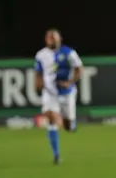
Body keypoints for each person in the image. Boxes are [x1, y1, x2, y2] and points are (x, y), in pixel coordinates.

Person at [34, 28, 83, 164]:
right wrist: (39, 84)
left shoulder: (69, 53)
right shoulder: (41, 55)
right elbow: (38, 72)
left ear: (60, 39)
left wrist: (70, 82)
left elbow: (79, 69)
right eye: (49, 38)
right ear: (46, 40)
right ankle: (57, 155)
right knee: (51, 119)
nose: (52, 40)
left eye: (54, 38)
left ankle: (70, 124)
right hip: (50, 93)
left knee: (68, 127)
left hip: (67, 93)